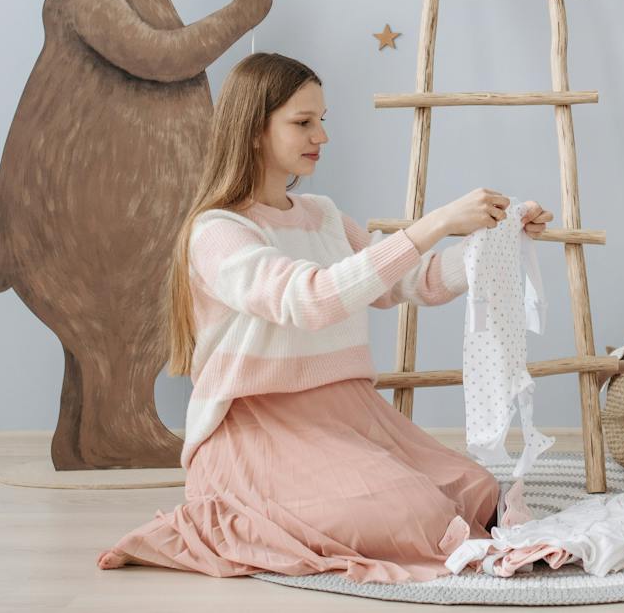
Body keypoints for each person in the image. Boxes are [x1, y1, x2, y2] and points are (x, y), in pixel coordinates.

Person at [97, 51, 553, 581]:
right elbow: (309, 301)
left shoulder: (324, 216)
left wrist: (495, 242)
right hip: (257, 425)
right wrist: (436, 222)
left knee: (476, 492)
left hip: (347, 411)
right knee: (417, 515)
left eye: (322, 120)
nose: (322, 136)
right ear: (253, 131)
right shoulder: (217, 232)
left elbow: (413, 280)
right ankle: (231, 511)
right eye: (303, 122)